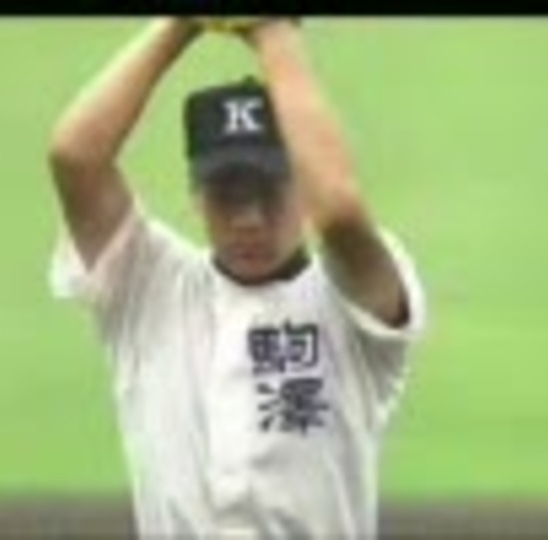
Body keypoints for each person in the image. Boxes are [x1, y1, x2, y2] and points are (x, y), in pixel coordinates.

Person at [46, 17, 427, 538]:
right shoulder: (148, 286)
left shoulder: (351, 304)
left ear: (303, 186)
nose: (249, 217)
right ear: (196, 194)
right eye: (228, 192)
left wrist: (273, 33)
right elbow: (74, 158)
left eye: (268, 189)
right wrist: (181, 23)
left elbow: (338, 209)